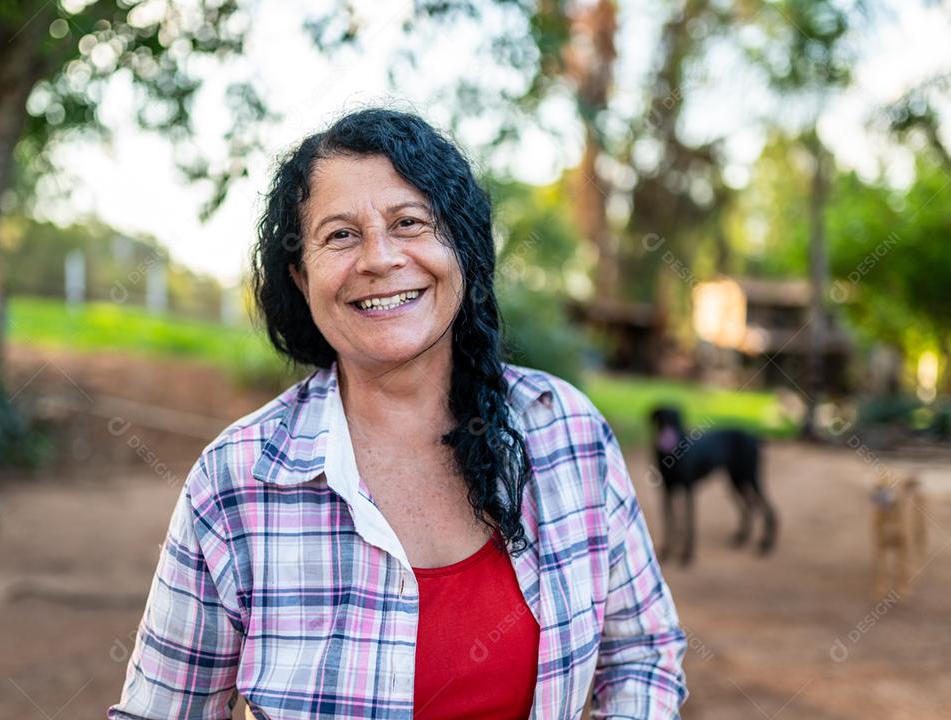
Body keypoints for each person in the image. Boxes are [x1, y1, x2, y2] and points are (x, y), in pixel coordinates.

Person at [108, 107, 688, 720]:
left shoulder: (566, 431)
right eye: (340, 235)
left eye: (409, 223)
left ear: (460, 250)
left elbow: (641, 653)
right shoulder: (236, 482)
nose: (380, 259)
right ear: (302, 279)